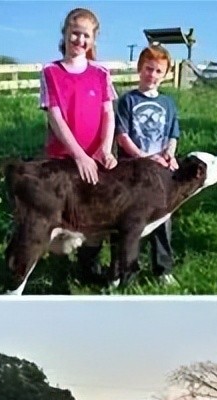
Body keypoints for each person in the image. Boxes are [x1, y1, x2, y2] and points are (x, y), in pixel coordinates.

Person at [42, 8, 118, 281]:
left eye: (86, 35)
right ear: (64, 33)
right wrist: (79, 156)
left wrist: (105, 150)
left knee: (95, 215)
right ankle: (55, 267)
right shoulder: (50, 71)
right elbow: (55, 116)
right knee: (58, 216)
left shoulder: (101, 73)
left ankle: (89, 269)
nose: (79, 40)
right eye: (75, 33)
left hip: (96, 159)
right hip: (62, 159)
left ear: (93, 39)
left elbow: (109, 113)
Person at [115, 44, 181, 285]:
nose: (152, 75)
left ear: (165, 74)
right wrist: (143, 156)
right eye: (148, 69)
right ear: (139, 69)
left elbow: (173, 134)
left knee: (162, 220)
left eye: (158, 71)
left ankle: (163, 269)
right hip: (132, 173)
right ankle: (125, 270)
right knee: (131, 223)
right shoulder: (127, 101)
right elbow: (122, 135)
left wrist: (169, 155)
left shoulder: (168, 103)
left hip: (160, 174)